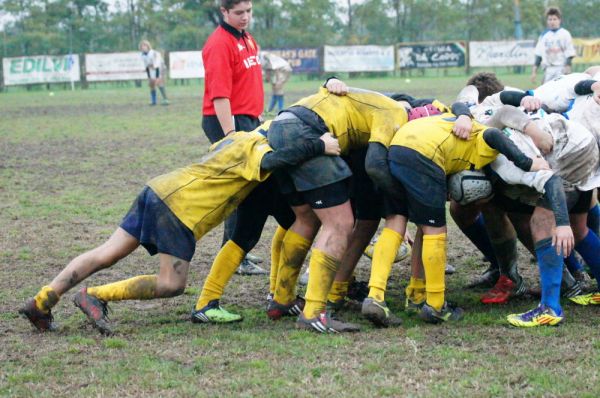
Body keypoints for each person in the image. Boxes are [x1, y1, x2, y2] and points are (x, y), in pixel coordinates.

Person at [18, 123, 340, 334]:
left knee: (105, 253)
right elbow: (274, 161)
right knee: (172, 284)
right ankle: (94, 296)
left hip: (158, 188)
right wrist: (319, 147)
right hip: (180, 209)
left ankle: (42, 300)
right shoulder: (256, 148)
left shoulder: (237, 137)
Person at [201, 0, 266, 275]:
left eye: (248, 12)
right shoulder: (219, 44)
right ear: (224, 12)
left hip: (247, 120)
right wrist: (230, 136)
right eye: (238, 13)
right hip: (228, 121)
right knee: (241, 190)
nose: (245, 17)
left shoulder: (247, 38)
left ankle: (239, 251)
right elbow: (220, 96)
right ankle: (234, 255)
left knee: (250, 189)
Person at [531, 7, 576, 84]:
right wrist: (534, 72)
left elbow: (569, 53)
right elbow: (539, 55)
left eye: (555, 19)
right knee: (546, 93)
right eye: (550, 19)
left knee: (562, 92)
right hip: (548, 69)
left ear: (559, 20)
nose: (552, 22)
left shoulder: (565, 34)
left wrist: (568, 66)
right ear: (547, 21)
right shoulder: (543, 36)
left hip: (561, 68)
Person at [139, 40, 169, 106]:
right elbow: (146, 67)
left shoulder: (154, 53)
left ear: (148, 46)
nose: (143, 48)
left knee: (159, 82)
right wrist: (149, 77)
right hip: (151, 69)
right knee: (151, 84)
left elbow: (157, 65)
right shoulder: (142, 55)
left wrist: (157, 77)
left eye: (145, 46)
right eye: (142, 46)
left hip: (160, 68)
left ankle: (165, 99)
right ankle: (153, 101)